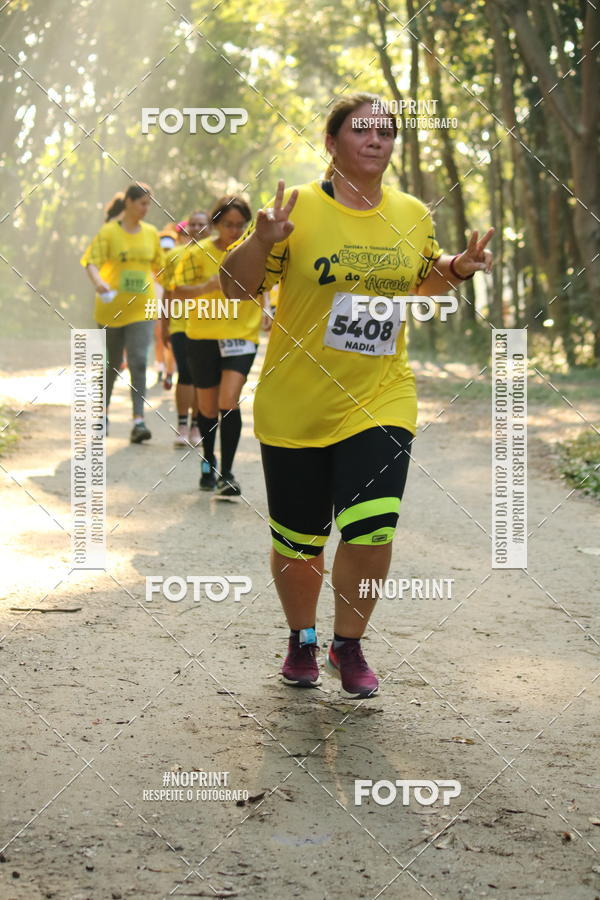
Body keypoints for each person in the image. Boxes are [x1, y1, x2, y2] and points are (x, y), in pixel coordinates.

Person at [220, 92, 493, 699]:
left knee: (372, 529)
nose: (377, 139)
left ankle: (348, 643)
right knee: (298, 540)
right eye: (363, 129)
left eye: (387, 131)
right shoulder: (293, 212)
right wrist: (263, 242)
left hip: (380, 396)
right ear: (332, 141)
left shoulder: (412, 212)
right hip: (296, 401)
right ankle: (303, 638)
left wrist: (456, 267)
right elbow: (236, 290)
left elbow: (420, 282)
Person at [172, 196, 270, 496]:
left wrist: (266, 307)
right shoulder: (195, 254)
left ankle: (227, 472)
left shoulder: (254, 251)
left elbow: (264, 282)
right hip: (202, 336)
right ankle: (208, 460)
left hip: (242, 336)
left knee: (229, 400)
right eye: (228, 224)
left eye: (241, 225)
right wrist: (206, 287)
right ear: (215, 224)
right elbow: (177, 293)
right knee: (207, 407)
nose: (234, 230)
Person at [81, 182, 165, 443]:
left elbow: (161, 269)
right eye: (142, 203)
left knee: (139, 361)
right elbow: (90, 262)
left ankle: (138, 421)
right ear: (128, 202)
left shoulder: (151, 233)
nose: (146, 208)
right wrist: (99, 283)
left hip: (141, 309)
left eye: (149, 204)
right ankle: (102, 414)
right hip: (111, 310)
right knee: (112, 365)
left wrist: (163, 298)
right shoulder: (109, 232)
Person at [160, 213, 210, 446]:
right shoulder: (173, 256)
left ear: (210, 228)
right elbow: (168, 293)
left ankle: (197, 426)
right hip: (180, 323)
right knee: (186, 373)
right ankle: (182, 424)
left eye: (203, 224)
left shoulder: (218, 254)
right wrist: (164, 324)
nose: (198, 228)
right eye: (194, 224)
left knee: (202, 376)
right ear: (186, 228)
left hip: (210, 323)